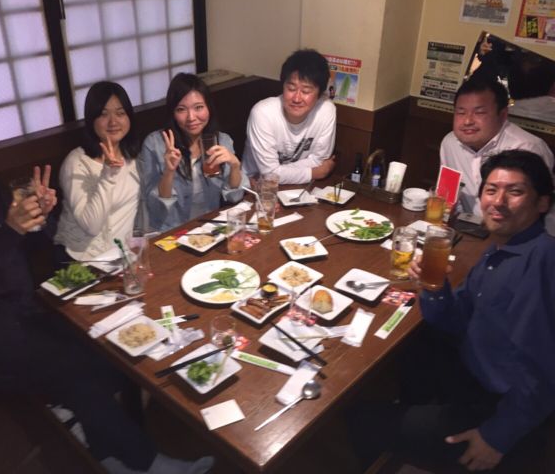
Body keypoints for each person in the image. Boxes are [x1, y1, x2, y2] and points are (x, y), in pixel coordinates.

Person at [0, 94, 212, 474]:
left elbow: (29, 245)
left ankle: (106, 446)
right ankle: (145, 462)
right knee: (76, 367)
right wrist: (11, 231)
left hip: (23, 311)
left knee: (107, 350)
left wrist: (42, 216)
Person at [349, 150, 555, 472]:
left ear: (542, 203)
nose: (498, 201)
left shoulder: (542, 262)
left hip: (494, 406)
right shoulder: (501, 249)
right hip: (470, 370)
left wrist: (497, 437)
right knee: (412, 348)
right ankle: (413, 416)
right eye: (491, 190)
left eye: (515, 191)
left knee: (360, 418)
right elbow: (453, 320)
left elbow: (544, 371)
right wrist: (435, 288)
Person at [139, 73, 246, 232]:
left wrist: (235, 166)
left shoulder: (222, 141)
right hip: (171, 230)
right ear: (173, 113)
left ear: (208, 107)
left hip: (210, 227)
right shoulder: (155, 144)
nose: (191, 117)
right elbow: (156, 209)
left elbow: (234, 197)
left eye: (198, 107)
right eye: (181, 109)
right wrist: (169, 172)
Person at [439, 76, 554, 218]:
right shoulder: (450, 143)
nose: (467, 121)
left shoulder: (527, 148)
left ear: (503, 115)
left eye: (479, 112)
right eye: (461, 112)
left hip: (514, 228)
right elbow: (448, 195)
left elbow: (537, 210)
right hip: (468, 225)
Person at [54, 81, 141, 262]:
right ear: (91, 119)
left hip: (124, 256)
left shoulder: (133, 156)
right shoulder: (77, 163)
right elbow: (91, 226)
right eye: (103, 114)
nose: (113, 122)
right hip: (84, 260)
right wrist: (108, 174)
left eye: (120, 113)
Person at [242, 48, 337, 184]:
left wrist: (277, 172)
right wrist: (316, 172)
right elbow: (270, 174)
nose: (297, 98)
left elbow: (319, 161)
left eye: (306, 91)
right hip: (254, 189)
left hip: (295, 187)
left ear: (320, 93)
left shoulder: (326, 110)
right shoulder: (263, 113)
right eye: (291, 88)